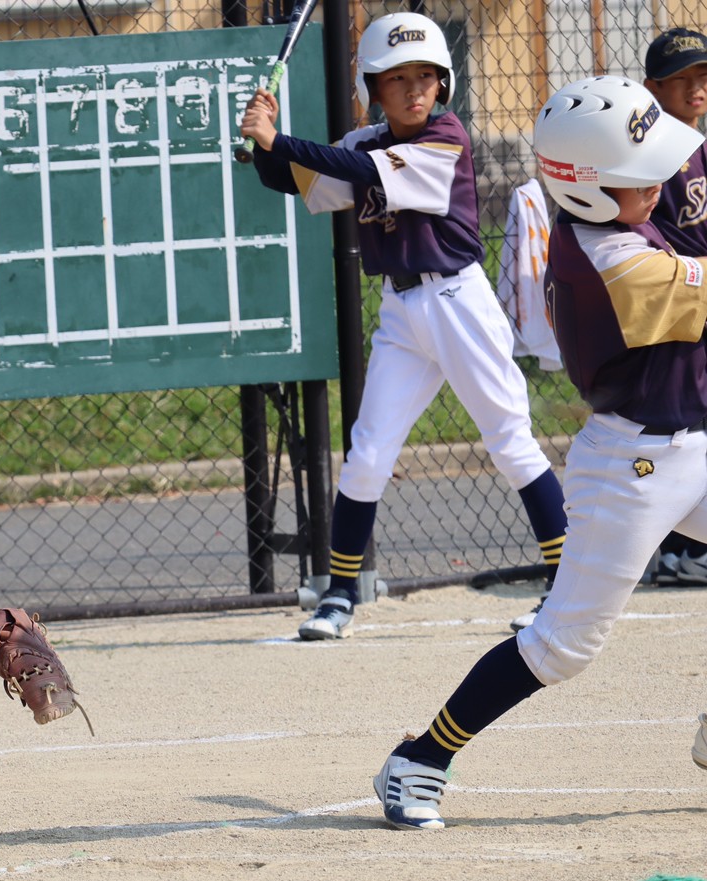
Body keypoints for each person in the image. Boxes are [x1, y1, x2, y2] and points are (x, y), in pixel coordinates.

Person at [371, 74, 707, 830]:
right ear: (588, 190)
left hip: (696, 444)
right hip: (632, 469)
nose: (662, 184)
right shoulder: (611, 258)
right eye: (641, 176)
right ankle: (419, 760)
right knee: (562, 648)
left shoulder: (629, 212)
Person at [239, 11, 568, 640]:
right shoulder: (365, 141)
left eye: (425, 76)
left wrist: (280, 140)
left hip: (459, 304)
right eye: (396, 79)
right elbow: (298, 178)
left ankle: (565, 586)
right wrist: (260, 145)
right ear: (373, 88)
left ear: (443, 83)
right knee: (367, 455)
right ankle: (338, 597)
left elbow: (363, 173)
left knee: (509, 440)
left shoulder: (445, 138)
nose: (414, 89)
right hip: (401, 311)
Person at [641, 27, 707, 584]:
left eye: (702, 76)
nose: (695, 88)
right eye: (681, 78)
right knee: (675, 429)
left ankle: (678, 551)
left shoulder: (700, 145)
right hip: (675, 307)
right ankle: (673, 552)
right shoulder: (650, 157)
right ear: (651, 87)